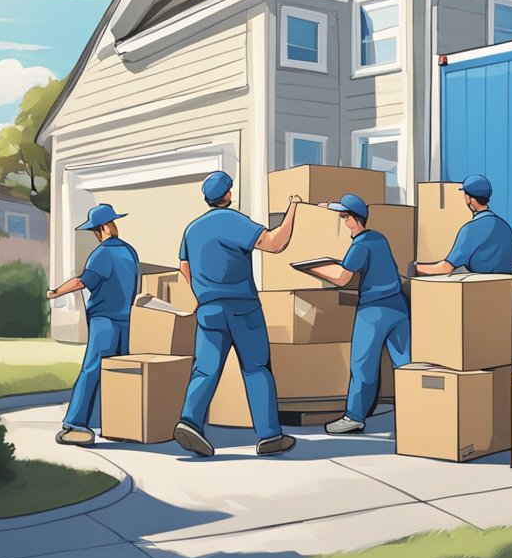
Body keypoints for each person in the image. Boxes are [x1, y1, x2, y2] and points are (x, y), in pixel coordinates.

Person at [173, 171, 302, 458]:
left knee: (205, 368)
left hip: (208, 308)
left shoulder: (192, 229)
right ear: (228, 194)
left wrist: (200, 293)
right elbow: (274, 243)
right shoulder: (233, 221)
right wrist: (294, 208)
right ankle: (269, 436)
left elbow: (183, 266)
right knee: (256, 368)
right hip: (242, 307)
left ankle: (190, 421)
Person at [302, 194, 410, 435]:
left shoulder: (359, 244)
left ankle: (354, 417)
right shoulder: (379, 238)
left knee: (363, 365)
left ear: (351, 219)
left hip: (374, 311)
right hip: (399, 307)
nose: (342, 221)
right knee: (404, 365)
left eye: (343, 216)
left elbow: (342, 279)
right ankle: (416, 413)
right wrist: (326, 206)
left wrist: (314, 269)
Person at [45, 204, 139, 447]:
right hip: (127, 320)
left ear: (101, 229)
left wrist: (56, 292)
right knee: (119, 372)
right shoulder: (130, 252)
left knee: (92, 369)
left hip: (104, 321)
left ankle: (75, 425)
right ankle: (117, 424)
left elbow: (82, 281)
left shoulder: (102, 254)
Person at [414, 174, 512, 360]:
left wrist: (415, 267)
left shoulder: (470, 230)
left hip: (478, 305)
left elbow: (445, 268)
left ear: (468, 198)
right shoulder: (504, 227)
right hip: (504, 307)